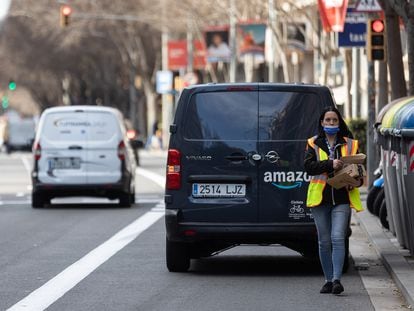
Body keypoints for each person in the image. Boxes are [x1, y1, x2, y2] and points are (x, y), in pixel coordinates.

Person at [304, 106, 364, 295]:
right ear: (322, 123)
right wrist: (330, 164)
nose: (331, 123)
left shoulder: (350, 144)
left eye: (334, 120)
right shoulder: (313, 143)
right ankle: (328, 280)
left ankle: (337, 280)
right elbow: (308, 166)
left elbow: (359, 171)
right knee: (324, 241)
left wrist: (356, 181)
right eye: (327, 120)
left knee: (338, 238)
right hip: (320, 199)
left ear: (339, 123)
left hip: (342, 198)